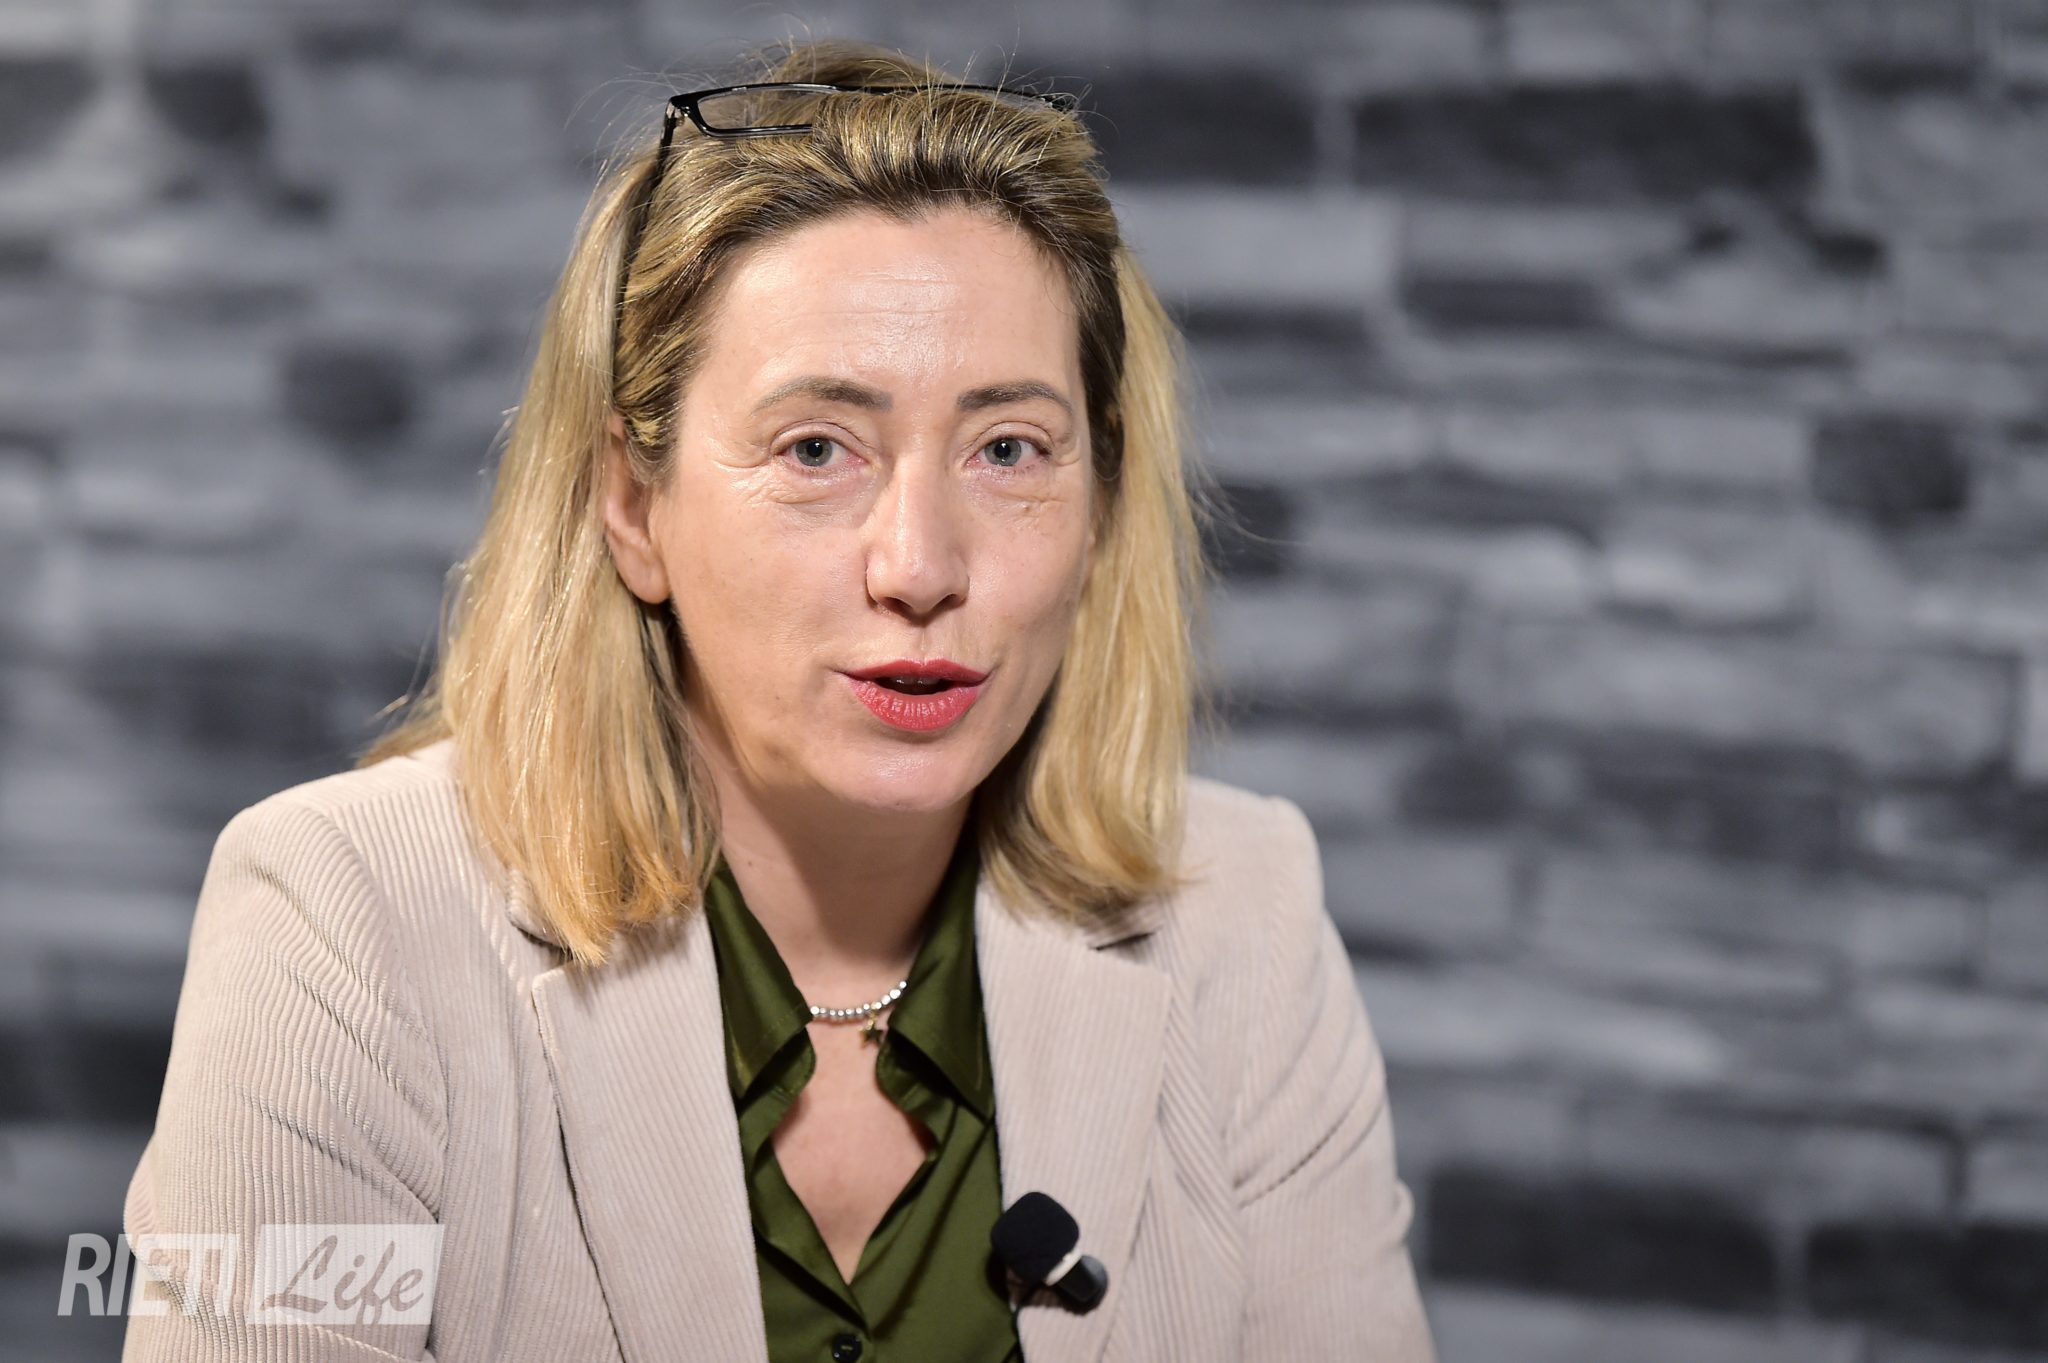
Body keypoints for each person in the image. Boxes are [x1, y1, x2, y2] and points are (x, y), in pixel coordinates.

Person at [120, 35, 1437, 1363]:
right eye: (816, 448)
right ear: (634, 507)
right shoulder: (344, 927)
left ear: (1098, 507)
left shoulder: (1246, 920)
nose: (919, 567)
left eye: (1008, 449)